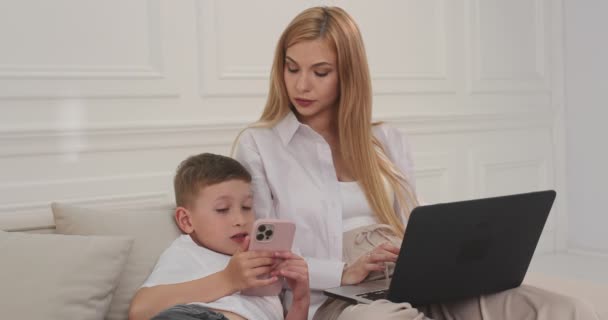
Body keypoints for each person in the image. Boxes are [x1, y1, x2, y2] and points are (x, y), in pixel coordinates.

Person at [233, 6, 600, 320]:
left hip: (410, 279)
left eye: (321, 72)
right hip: (333, 299)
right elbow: (263, 260)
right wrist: (346, 270)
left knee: (564, 309)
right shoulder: (260, 146)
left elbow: (415, 224)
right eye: (292, 68)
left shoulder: (385, 140)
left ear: (348, 75)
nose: (302, 85)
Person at [128, 153, 310, 320]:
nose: (240, 220)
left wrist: (301, 301)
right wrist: (228, 279)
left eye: (246, 207)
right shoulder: (187, 250)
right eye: (222, 209)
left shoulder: (262, 260)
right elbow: (140, 310)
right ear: (186, 221)